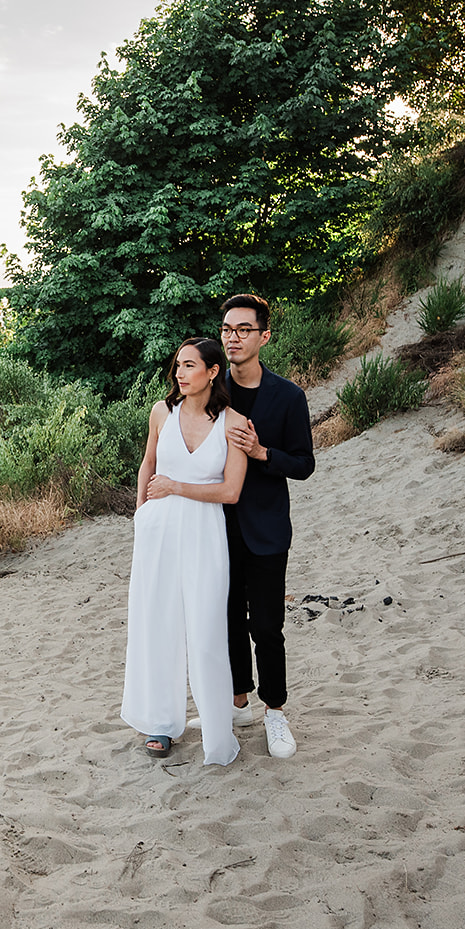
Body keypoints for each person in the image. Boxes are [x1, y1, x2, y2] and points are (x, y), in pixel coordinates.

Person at [121, 337, 250, 765]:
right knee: (158, 623)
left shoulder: (235, 423)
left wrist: (176, 487)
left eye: (190, 365)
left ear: (213, 371)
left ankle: (217, 730)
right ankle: (161, 723)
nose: (180, 373)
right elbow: (148, 463)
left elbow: (231, 492)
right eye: (178, 365)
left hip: (204, 532)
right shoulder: (162, 412)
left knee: (207, 630)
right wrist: (141, 513)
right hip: (158, 531)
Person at [216, 293, 315, 759]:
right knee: (226, 619)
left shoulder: (289, 396)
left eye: (243, 330)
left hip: (268, 528)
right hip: (215, 526)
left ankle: (274, 710)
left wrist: (261, 454)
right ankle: (238, 704)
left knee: (268, 625)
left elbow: (304, 464)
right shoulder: (211, 392)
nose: (233, 338)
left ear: (264, 336)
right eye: (227, 330)